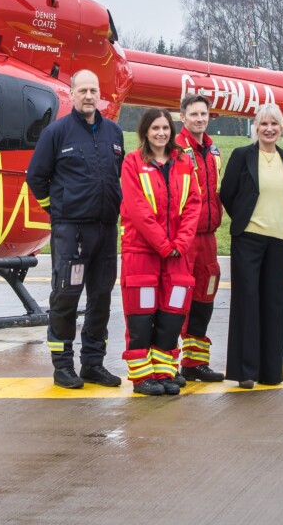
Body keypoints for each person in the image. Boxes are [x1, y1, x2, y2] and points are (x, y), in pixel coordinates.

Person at [26, 69, 125, 390]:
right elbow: (36, 178)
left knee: (101, 297)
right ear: (71, 94)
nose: (89, 96)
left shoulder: (114, 133)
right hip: (72, 234)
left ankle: (93, 364)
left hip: (106, 231)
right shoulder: (56, 133)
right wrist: (57, 211)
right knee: (67, 296)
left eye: (93, 90)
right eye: (82, 90)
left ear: (100, 94)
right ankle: (63, 364)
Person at [119, 108, 202, 395]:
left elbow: (194, 205)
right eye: (155, 128)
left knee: (172, 313)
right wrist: (165, 245)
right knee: (141, 315)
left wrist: (180, 244)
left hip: (177, 254)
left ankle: (165, 370)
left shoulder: (183, 162)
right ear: (145, 132)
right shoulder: (132, 162)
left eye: (165, 128)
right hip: (142, 252)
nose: (161, 133)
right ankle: (143, 378)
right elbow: (137, 209)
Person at [219, 103, 283, 388]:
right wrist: (242, 218)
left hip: (279, 240)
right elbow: (227, 193)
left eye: (274, 124)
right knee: (247, 302)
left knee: (274, 305)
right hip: (248, 238)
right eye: (264, 124)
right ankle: (246, 371)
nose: (269, 129)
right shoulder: (242, 156)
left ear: (282, 128)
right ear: (256, 128)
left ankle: (270, 371)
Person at [173, 94, 226, 382]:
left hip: (208, 238)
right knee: (176, 300)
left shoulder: (214, 151)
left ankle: (194, 363)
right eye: (193, 114)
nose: (199, 119)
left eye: (203, 114)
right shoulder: (174, 148)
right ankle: (169, 362)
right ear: (183, 117)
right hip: (184, 238)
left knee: (205, 298)